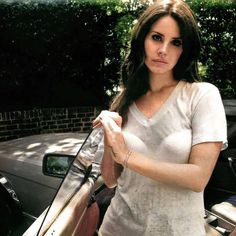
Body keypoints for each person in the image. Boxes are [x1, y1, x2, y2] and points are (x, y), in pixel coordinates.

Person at [92, 0, 228, 235]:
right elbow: (111, 179)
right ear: (142, 40)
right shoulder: (125, 99)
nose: (164, 49)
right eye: (156, 37)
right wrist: (110, 137)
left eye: (176, 42)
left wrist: (127, 155)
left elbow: (198, 178)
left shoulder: (202, 95)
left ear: (185, 49)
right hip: (117, 227)